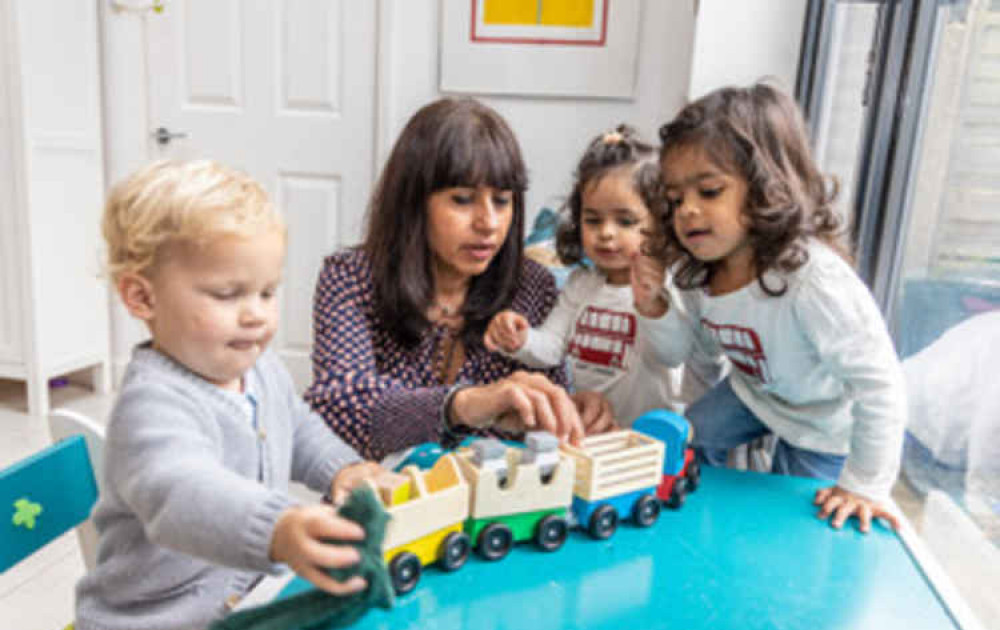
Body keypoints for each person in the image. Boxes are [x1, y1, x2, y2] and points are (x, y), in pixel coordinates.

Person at [59, 160, 383, 630]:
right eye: (227, 294)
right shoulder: (152, 403)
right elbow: (182, 492)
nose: (255, 314)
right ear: (142, 297)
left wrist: (342, 469)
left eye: (267, 291)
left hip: (232, 617)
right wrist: (275, 527)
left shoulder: (261, 368)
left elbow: (297, 429)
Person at [631, 83, 907, 533]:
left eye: (709, 191)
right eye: (677, 199)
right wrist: (655, 306)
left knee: (800, 517)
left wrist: (865, 486)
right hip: (753, 395)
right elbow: (684, 353)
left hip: (823, 420)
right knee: (689, 437)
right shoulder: (705, 268)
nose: (687, 211)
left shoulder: (814, 281)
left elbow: (881, 386)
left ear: (765, 189)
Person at [305, 97, 614, 464]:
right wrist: (465, 404)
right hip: (382, 504)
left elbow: (547, 423)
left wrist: (573, 410)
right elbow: (340, 408)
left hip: (491, 511)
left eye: (502, 201)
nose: (489, 223)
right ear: (414, 202)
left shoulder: (535, 287)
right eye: (463, 199)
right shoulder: (351, 278)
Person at [484, 125, 721, 426]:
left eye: (625, 221)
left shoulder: (670, 287)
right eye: (593, 220)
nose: (606, 233)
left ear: (661, 224)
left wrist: (652, 304)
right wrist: (520, 339)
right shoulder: (581, 285)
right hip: (592, 430)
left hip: (649, 437)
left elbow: (672, 356)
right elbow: (551, 349)